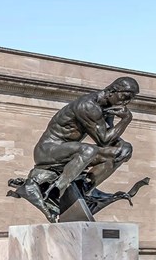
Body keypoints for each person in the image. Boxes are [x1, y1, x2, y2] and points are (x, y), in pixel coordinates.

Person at [8, 77, 141, 221]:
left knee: (124, 150)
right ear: (112, 91)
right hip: (48, 150)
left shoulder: (106, 109)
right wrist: (126, 120)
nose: (126, 102)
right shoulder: (88, 105)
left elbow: (112, 136)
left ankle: (85, 190)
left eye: (130, 99)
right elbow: (103, 140)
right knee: (88, 150)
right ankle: (56, 192)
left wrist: (122, 149)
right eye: (125, 97)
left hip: (70, 150)